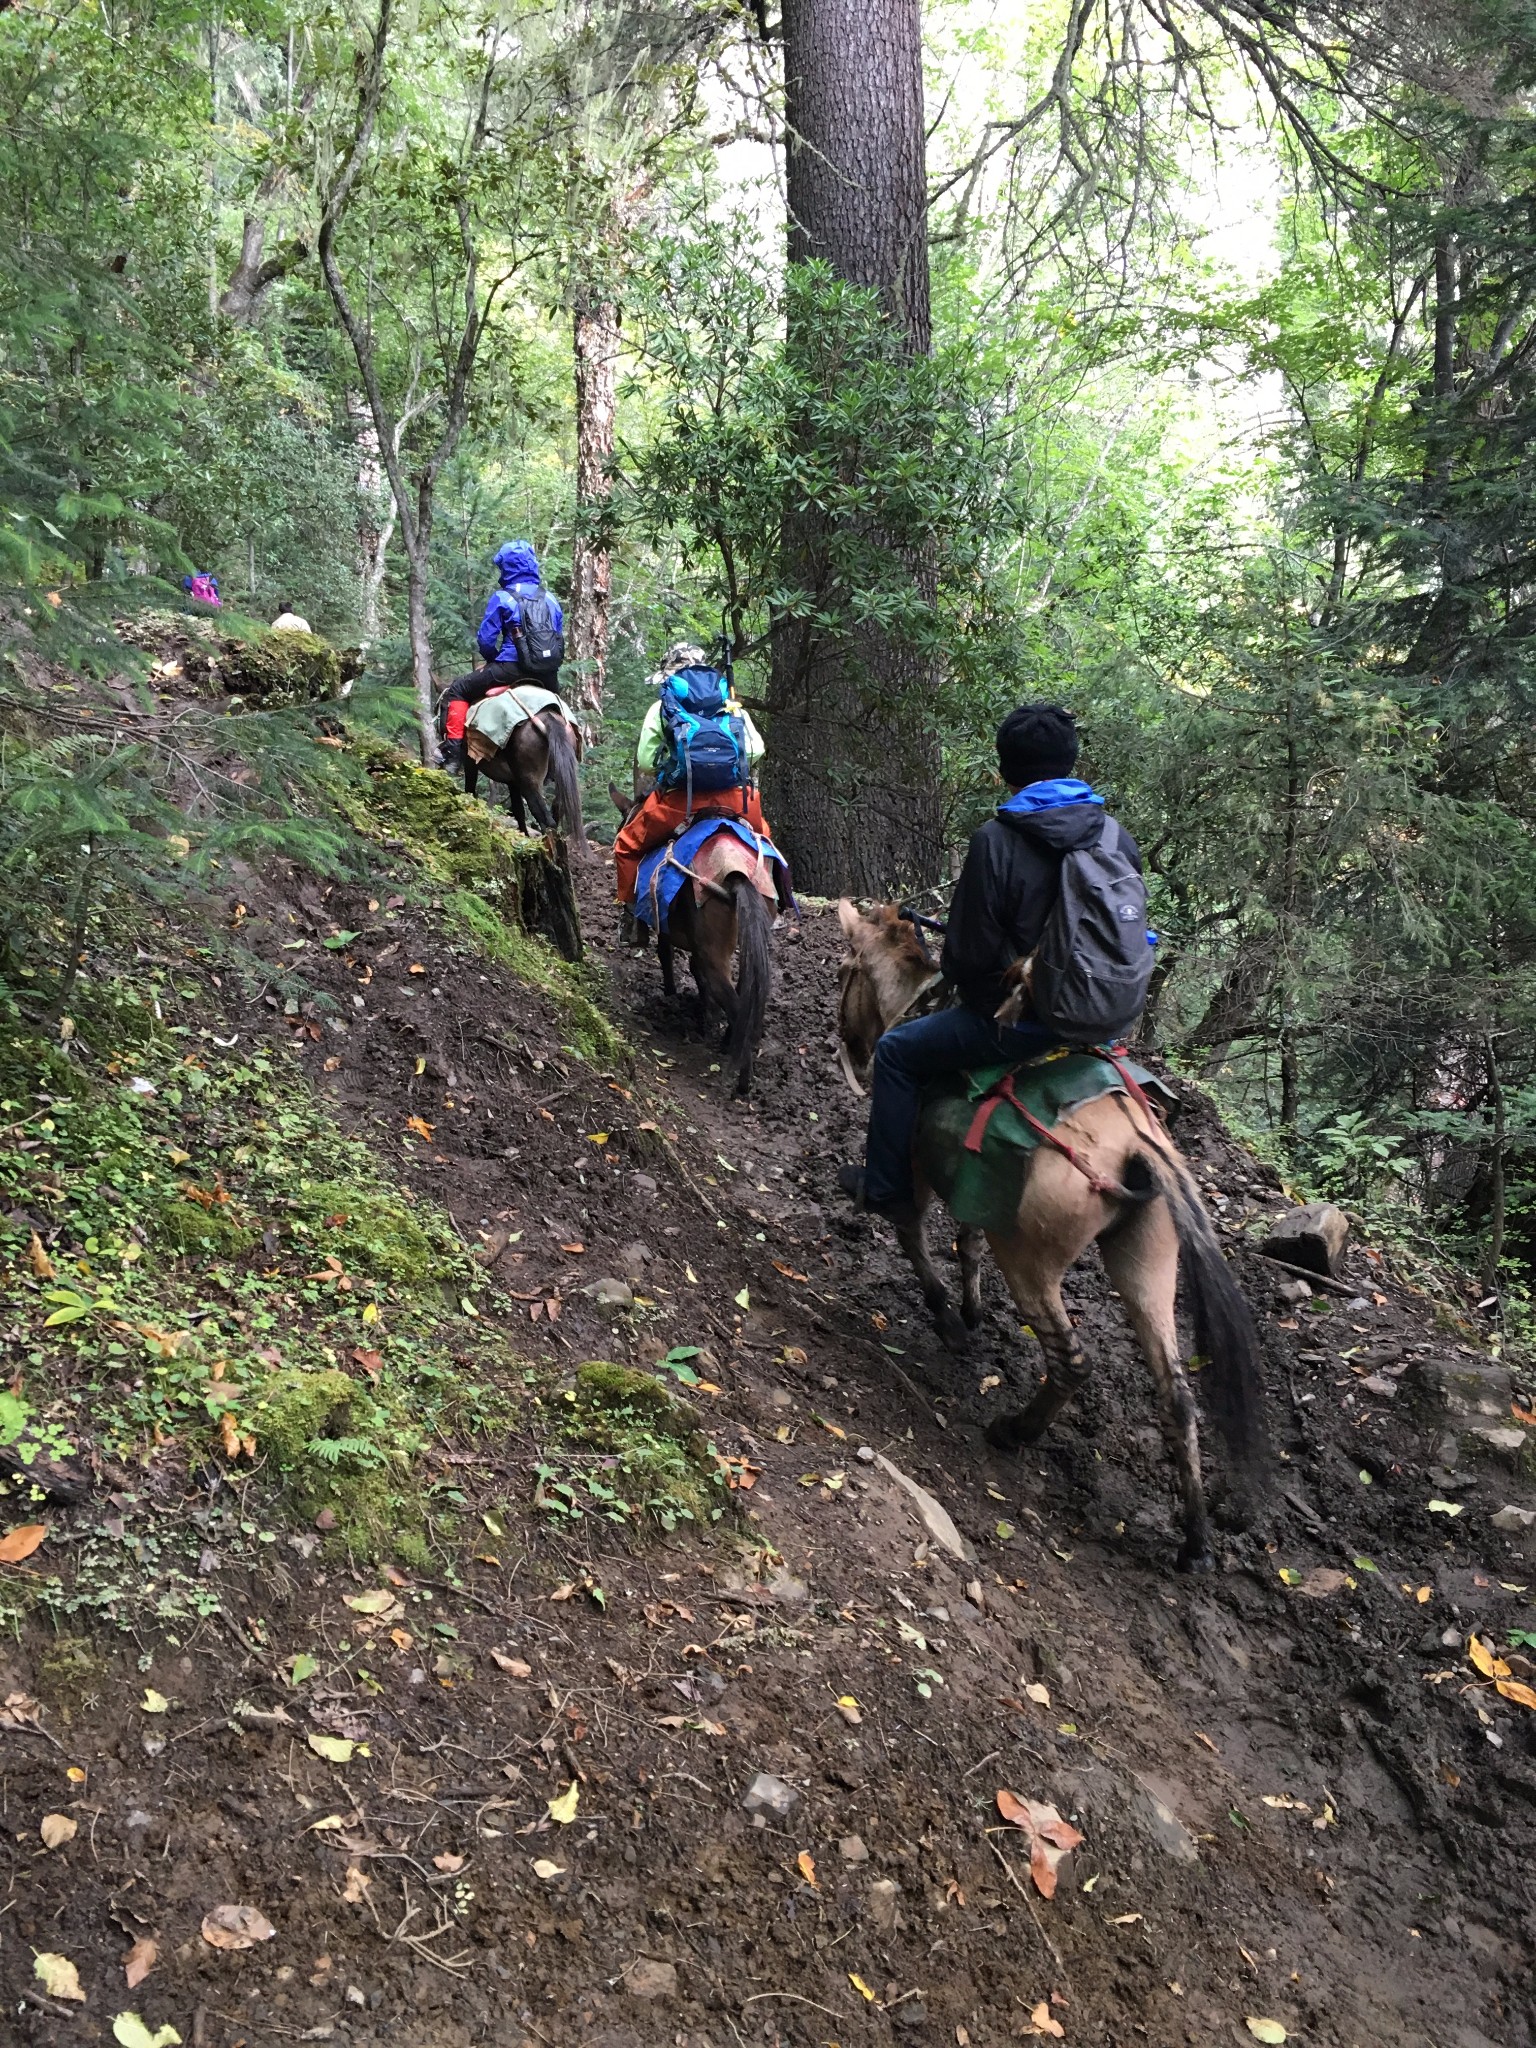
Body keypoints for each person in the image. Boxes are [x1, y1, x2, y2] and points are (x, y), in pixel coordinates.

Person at [838, 703, 1141, 1226]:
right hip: (1106, 1018)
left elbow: (969, 959)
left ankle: (886, 1188)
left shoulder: (996, 841)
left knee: (894, 1052)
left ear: (1003, 771)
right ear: (1072, 763)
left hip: (1024, 1024)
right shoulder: (1114, 836)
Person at [612, 643, 777, 916]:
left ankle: (633, 919)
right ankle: (775, 907)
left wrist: (670, 769)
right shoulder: (731, 705)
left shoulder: (662, 707)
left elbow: (644, 760)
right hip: (735, 801)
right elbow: (756, 750)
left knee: (627, 846)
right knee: (765, 843)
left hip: (678, 803)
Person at [437, 541, 564, 770]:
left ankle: (453, 754)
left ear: (506, 568)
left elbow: (486, 639)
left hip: (509, 667)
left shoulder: (502, 598)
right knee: (557, 706)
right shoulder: (550, 599)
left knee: (458, 689)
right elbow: (557, 636)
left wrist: (493, 658)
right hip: (547, 674)